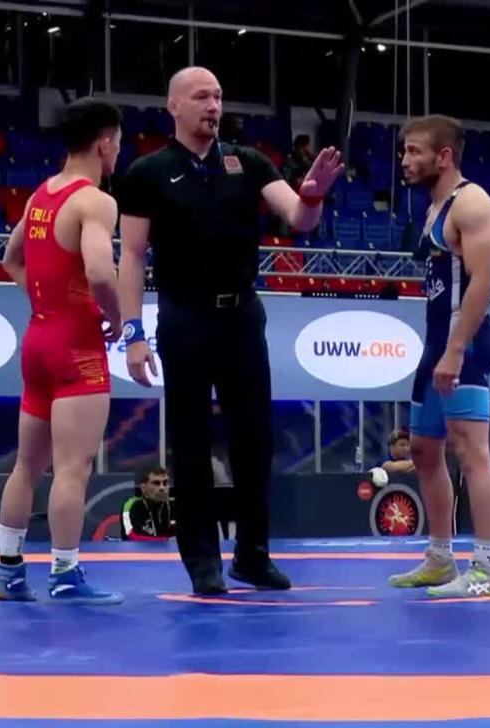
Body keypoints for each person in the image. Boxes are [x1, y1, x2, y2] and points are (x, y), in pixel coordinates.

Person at [117, 67, 343, 595]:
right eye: (202, 97)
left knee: (254, 440)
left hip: (241, 316)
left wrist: (312, 195)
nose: (213, 105)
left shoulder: (250, 161)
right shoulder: (148, 172)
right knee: (190, 442)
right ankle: (202, 560)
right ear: (174, 106)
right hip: (184, 317)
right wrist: (133, 333)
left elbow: (299, 218)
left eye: (218, 96)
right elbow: (131, 255)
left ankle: (252, 555)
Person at [0, 97, 126, 605]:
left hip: (39, 339)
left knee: (26, 467)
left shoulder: (40, 196)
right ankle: (65, 574)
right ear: (104, 143)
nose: (119, 152)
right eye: (118, 143)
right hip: (76, 347)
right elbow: (99, 272)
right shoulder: (95, 201)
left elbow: (10, 260)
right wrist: (115, 317)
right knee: (72, 468)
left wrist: (48, 303)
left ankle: (8, 573)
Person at [388, 114, 490, 598]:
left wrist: (456, 350)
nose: (404, 161)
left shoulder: (471, 203)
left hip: (465, 343)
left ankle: (486, 569)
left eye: (414, 151)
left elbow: (483, 282)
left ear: (445, 156)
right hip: (437, 343)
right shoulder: (435, 207)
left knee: (471, 453)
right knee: (423, 451)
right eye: (404, 151)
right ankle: (440, 558)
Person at [122, 466, 175, 541]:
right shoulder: (131, 506)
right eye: (156, 483)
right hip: (141, 548)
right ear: (144, 488)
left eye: (165, 483)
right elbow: (130, 535)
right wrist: (166, 540)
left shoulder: (175, 505)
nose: (162, 488)